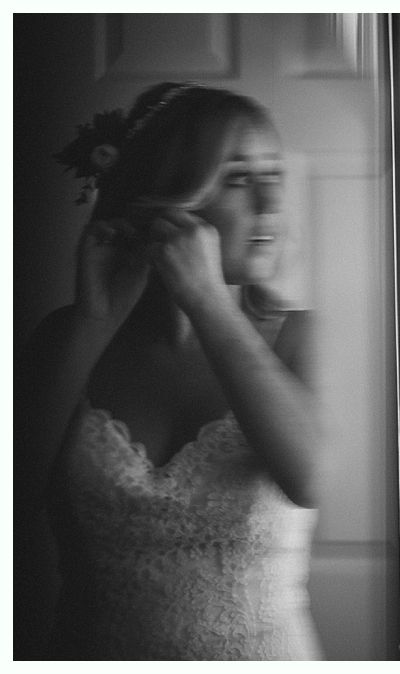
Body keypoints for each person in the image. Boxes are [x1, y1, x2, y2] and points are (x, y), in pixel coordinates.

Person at [16, 82, 323, 659]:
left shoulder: (303, 338)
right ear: (166, 201)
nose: (271, 204)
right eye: (237, 178)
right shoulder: (65, 336)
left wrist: (208, 302)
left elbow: (312, 479)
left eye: (273, 175)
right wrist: (92, 323)